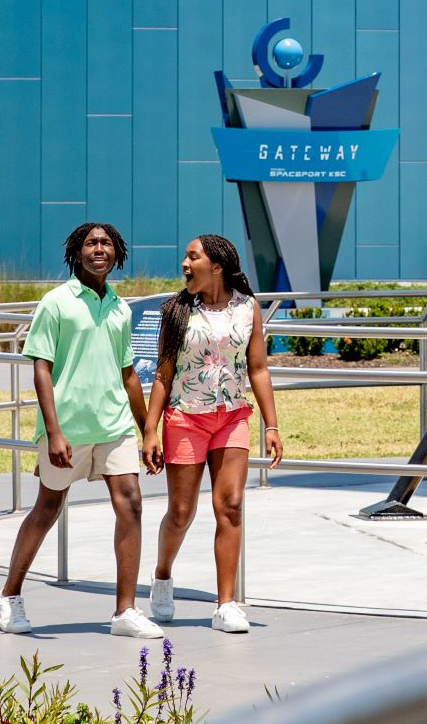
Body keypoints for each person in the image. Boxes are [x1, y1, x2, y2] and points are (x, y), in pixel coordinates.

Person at [0, 223, 162, 638]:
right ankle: (9, 595)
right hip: (66, 428)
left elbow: (129, 376)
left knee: (131, 504)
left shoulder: (121, 308)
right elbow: (41, 368)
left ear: (116, 253)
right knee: (48, 509)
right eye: (91, 243)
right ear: (77, 252)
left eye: (105, 243)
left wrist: (147, 431)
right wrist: (53, 432)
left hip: (114, 425)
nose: (98, 249)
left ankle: (125, 611)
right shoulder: (56, 303)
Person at [142, 234, 284, 635]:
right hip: (185, 418)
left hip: (232, 417)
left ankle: (225, 604)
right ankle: (163, 574)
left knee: (232, 506)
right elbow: (163, 374)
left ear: (217, 265)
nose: (184, 264)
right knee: (182, 513)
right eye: (185, 257)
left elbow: (257, 368)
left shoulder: (248, 308)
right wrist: (150, 429)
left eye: (193, 257)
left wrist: (271, 425)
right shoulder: (176, 310)